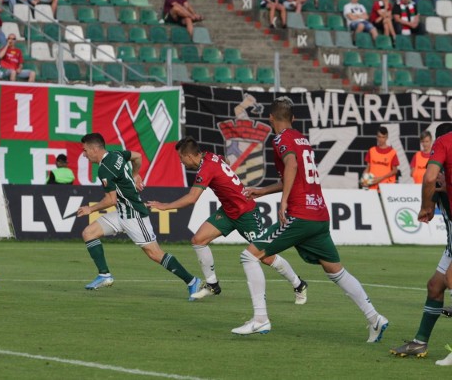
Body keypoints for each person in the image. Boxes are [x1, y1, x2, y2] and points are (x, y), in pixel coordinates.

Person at [234, 97, 389, 341]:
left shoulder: (280, 138)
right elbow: (294, 175)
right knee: (335, 270)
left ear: (270, 118)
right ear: (293, 119)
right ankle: (375, 318)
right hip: (318, 215)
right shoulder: (302, 140)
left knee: (249, 256)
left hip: (300, 215)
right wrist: (263, 191)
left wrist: (284, 202)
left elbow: (292, 165)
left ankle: (260, 319)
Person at [147, 137, 308, 303]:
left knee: (265, 256)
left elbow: (192, 198)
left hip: (246, 213)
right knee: (198, 240)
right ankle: (212, 284)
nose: (181, 162)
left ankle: (299, 284)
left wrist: (165, 206)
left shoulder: (206, 167)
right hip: (228, 211)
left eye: (181, 158)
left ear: (188, 156)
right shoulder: (208, 156)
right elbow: (224, 160)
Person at [76, 133, 203, 299]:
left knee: (155, 254)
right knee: (89, 233)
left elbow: (111, 200)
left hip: (134, 215)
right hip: (122, 213)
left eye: (85, 150)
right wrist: (135, 175)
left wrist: (90, 210)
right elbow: (137, 156)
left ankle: (192, 281)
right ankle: (104, 275)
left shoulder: (104, 169)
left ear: (94, 149)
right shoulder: (116, 154)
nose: (84, 154)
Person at [390, 123, 452, 364]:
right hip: (450, 244)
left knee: (449, 279)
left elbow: (430, 178)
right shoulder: (439, 185)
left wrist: (425, 207)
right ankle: (420, 342)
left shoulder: (437, 173)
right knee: (435, 286)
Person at [363, 126, 399, 192]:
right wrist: (365, 181)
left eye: (383, 137)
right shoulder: (371, 151)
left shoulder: (392, 152)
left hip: (386, 187)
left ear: (387, 138)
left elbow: (395, 171)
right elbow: (368, 168)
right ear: (376, 137)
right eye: (379, 137)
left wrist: (381, 178)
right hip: (373, 187)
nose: (381, 139)